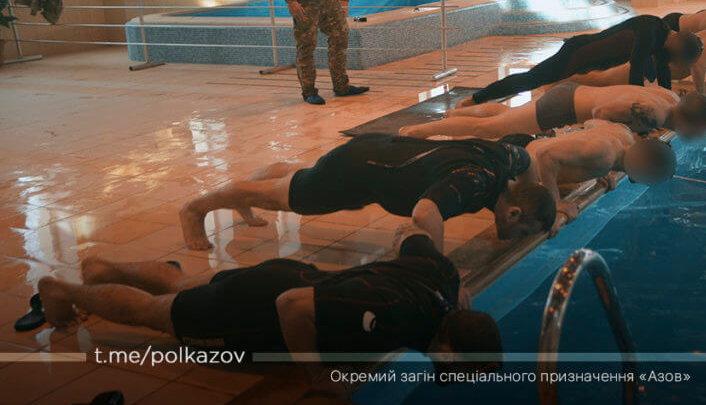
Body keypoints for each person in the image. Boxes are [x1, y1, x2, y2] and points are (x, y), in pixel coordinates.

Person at [36, 227, 502, 388]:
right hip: (259, 306)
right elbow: (292, 307)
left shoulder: (444, 279)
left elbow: (410, 234)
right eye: (460, 370)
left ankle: (104, 267)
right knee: (156, 314)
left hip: (290, 273)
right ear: (448, 351)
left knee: (182, 285)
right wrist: (314, 374)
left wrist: (455, 288)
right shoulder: (395, 317)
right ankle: (63, 290)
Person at [179, 133, 557, 250]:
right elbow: (425, 212)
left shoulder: (506, 160)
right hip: (358, 171)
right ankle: (195, 210)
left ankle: (247, 194)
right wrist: (437, 269)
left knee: (291, 182)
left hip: (378, 154)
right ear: (513, 213)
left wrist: (547, 205)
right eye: (523, 231)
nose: (519, 237)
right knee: (285, 199)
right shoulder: (474, 183)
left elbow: (529, 161)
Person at [457, 15, 703, 108]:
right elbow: (635, 77)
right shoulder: (650, 30)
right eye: (680, 59)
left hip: (587, 60)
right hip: (577, 54)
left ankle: (479, 98)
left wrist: (671, 105)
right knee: (532, 79)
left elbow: (663, 74)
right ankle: (476, 98)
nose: (676, 63)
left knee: (654, 75)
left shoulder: (662, 40)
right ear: (678, 45)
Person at [400, 84, 706, 141]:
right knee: (491, 130)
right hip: (562, 108)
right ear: (688, 120)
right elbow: (600, 112)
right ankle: (417, 132)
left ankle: (455, 117)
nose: (696, 137)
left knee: (508, 116)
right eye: (698, 131)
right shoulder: (653, 114)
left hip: (571, 93)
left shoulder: (669, 99)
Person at [554, 29, 706, 96]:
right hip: (654, 64)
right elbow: (698, 66)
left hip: (658, 63)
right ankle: (559, 80)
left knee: (606, 78)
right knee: (605, 80)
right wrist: (702, 96)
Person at [524, 120, 677, 210]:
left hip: (528, 145)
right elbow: (545, 155)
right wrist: (555, 202)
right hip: (521, 168)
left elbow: (591, 123)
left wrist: (594, 166)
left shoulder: (622, 132)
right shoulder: (605, 157)